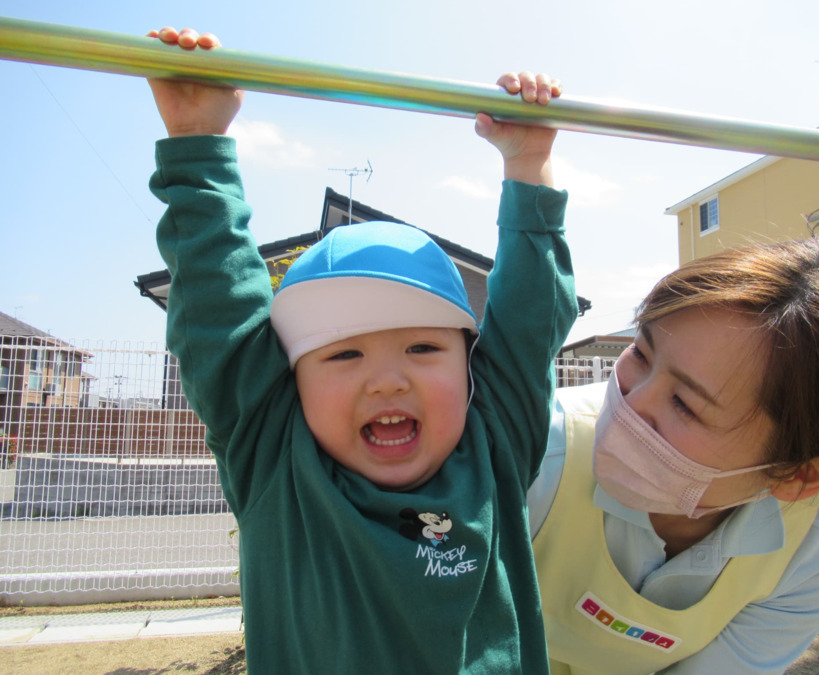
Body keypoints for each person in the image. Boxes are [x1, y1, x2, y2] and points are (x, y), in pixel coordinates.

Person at [146, 26, 577, 674]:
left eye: (423, 346)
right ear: (291, 379)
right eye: (344, 354)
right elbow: (217, 310)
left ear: (470, 366)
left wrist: (529, 163)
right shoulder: (276, 460)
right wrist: (197, 142)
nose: (387, 380)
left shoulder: (494, 444)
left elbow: (529, 318)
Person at [528, 236, 819, 674]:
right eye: (642, 354)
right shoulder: (531, 461)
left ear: (800, 476)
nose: (632, 402)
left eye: (685, 404)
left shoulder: (813, 556)